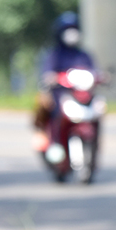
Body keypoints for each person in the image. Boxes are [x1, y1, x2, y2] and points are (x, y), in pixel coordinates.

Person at [32, 12, 96, 152]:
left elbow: (94, 71)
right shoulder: (54, 55)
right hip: (60, 95)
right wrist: (50, 78)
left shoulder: (83, 55)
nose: (71, 34)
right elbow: (47, 73)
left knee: (98, 110)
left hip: (81, 97)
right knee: (45, 106)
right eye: (68, 30)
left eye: (74, 29)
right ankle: (50, 141)